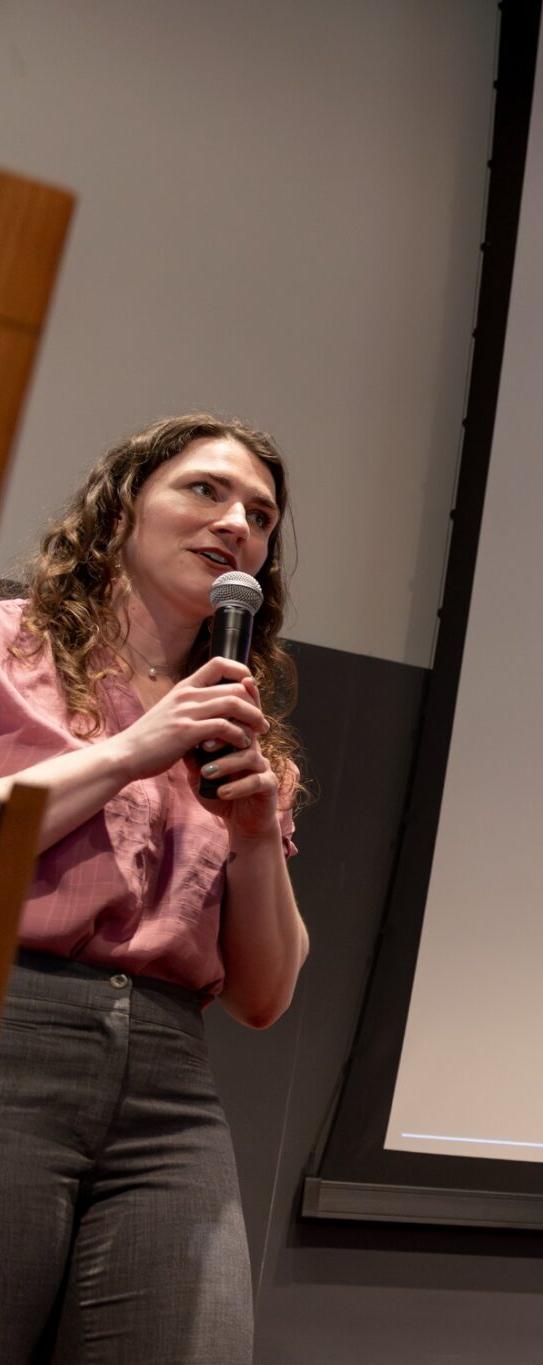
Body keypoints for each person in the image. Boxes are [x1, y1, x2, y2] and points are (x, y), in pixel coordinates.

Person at [0, 414, 308, 1363]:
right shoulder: (12, 650)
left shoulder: (242, 732)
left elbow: (262, 998)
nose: (236, 525)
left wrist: (256, 838)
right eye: (204, 491)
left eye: (259, 514)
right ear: (122, 508)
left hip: (170, 1084)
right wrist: (134, 748)